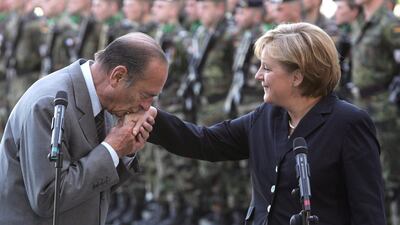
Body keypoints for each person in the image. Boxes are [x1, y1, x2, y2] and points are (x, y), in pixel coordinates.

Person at [134, 22, 386, 224]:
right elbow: (205, 142)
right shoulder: (267, 116)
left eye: (266, 68)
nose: (258, 76)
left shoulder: (348, 123)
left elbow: (368, 211)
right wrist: (145, 113)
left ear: (297, 76)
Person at [0, 32, 168, 225]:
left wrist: (123, 153)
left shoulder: (103, 98)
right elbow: (48, 198)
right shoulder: (49, 104)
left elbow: (93, 189)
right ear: (118, 76)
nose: (147, 107)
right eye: (146, 95)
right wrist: (112, 149)